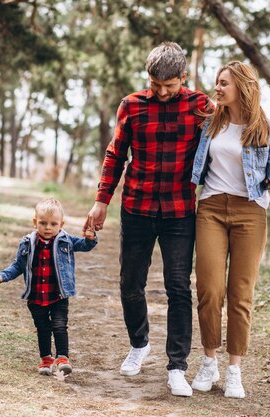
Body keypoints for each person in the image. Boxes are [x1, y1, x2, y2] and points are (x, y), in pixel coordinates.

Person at [83, 42, 211, 397]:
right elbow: (115, 155)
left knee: (177, 287)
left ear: (182, 78)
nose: (161, 92)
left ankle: (177, 366)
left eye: (169, 86)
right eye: (155, 84)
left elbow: (232, 131)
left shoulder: (200, 106)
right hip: (137, 208)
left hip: (179, 212)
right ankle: (139, 345)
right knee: (130, 283)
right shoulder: (132, 105)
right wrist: (101, 201)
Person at [190, 61, 270, 398]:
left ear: (242, 87)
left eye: (224, 84)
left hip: (250, 213)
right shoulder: (209, 125)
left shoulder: (267, 129)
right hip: (210, 209)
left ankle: (234, 369)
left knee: (241, 294)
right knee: (209, 288)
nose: (217, 88)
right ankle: (209, 361)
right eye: (217, 83)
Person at [0, 198, 97, 376]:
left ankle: (63, 357)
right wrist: (3, 275)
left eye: (53, 224)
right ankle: (46, 359)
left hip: (58, 294)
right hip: (36, 296)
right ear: (35, 222)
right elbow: (18, 265)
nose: (48, 227)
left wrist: (90, 237)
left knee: (59, 326)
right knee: (43, 328)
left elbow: (85, 245)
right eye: (43, 223)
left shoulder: (66, 240)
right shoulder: (27, 243)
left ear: (61, 224)